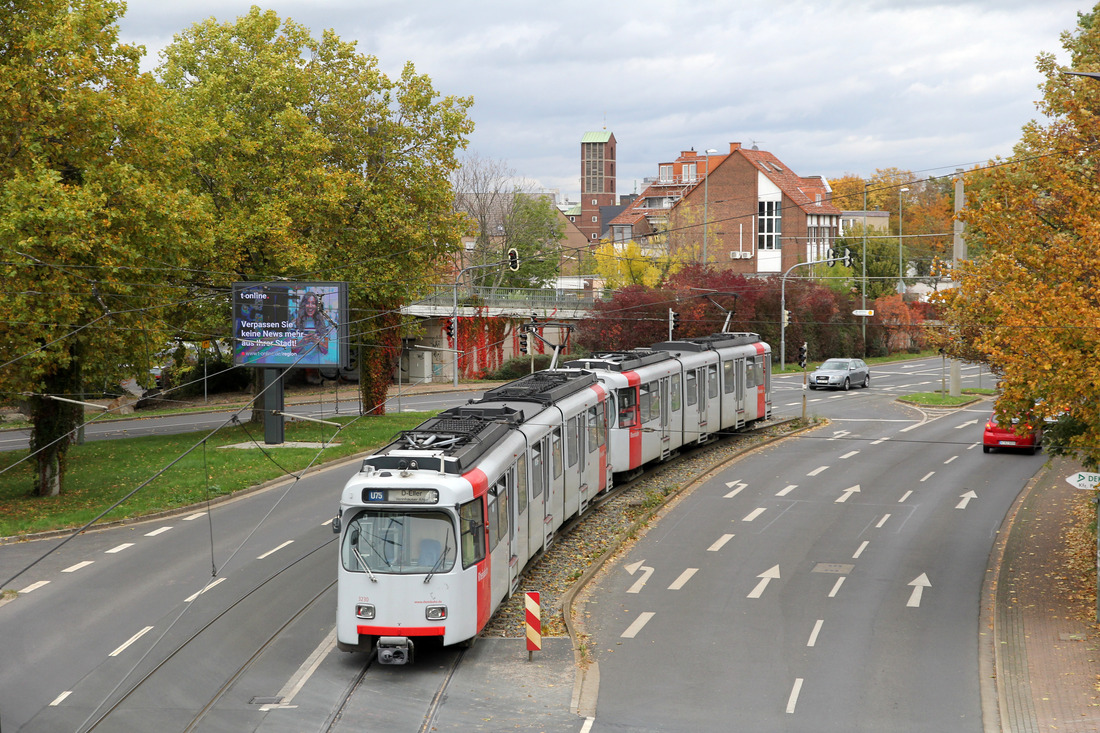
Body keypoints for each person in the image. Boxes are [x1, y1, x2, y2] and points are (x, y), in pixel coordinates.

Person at [291, 291, 331, 357]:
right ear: (303, 305)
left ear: (317, 306)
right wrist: (303, 341)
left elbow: (325, 351)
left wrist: (317, 342)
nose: (310, 306)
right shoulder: (295, 324)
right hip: (299, 362)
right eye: (307, 303)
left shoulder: (324, 323)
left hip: (318, 362)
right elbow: (293, 351)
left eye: (313, 303)